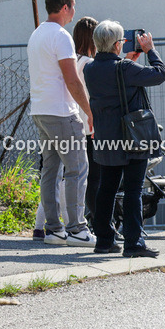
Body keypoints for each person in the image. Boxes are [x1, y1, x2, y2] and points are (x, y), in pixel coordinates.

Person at [84, 21, 165, 257]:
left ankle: (104, 240)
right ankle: (134, 243)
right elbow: (161, 74)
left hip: (105, 136)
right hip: (132, 137)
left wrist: (128, 60)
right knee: (133, 190)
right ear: (116, 44)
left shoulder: (90, 69)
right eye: (121, 41)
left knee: (106, 188)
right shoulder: (125, 68)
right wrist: (150, 50)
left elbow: (117, 78)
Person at [27, 0, 95, 247]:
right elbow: (72, 80)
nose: (74, 11)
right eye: (73, 6)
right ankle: (77, 229)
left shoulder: (36, 34)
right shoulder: (62, 36)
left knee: (51, 171)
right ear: (65, 7)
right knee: (77, 169)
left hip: (41, 111)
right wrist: (88, 112)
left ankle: (54, 230)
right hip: (61, 113)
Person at [73, 17, 101, 224]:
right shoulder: (89, 64)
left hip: (72, 125)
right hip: (90, 128)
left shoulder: (70, 60)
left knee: (72, 177)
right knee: (94, 179)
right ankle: (99, 222)